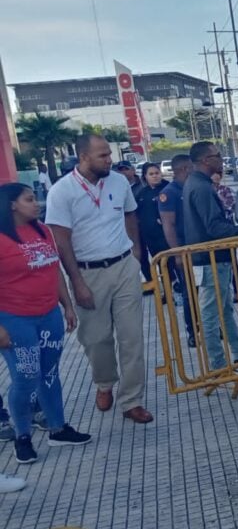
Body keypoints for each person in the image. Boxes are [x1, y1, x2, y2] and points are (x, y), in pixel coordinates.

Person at [45, 133, 153, 425]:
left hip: (123, 266)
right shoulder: (61, 192)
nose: (110, 159)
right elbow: (61, 240)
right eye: (103, 155)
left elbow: (131, 215)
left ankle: (131, 400)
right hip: (87, 272)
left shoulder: (118, 182)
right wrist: (77, 282)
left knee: (132, 338)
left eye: (109, 153)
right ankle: (105, 382)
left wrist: (136, 253)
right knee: (96, 339)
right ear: (83, 158)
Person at [0, 183, 92, 469]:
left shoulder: (43, 231)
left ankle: (57, 428)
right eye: (29, 199)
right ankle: (23, 436)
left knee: (49, 373)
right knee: (26, 376)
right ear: (12, 205)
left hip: (48, 314)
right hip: (14, 318)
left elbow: (54, 271)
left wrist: (66, 305)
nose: (36, 203)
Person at [182, 142, 238, 371]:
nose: (221, 159)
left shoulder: (197, 183)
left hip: (213, 259)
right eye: (217, 155)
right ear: (205, 160)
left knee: (225, 308)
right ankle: (218, 364)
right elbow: (215, 227)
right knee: (210, 315)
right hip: (208, 259)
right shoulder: (200, 188)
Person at [159, 155, 197, 348]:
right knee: (190, 293)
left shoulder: (191, 188)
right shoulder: (169, 193)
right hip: (184, 250)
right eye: (191, 167)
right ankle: (193, 331)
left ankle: (212, 328)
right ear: (184, 169)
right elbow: (169, 225)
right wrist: (177, 253)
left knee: (206, 291)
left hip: (199, 248)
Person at [134, 162, 168, 283]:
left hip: (166, 238)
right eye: (151, 174)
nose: (155, 176)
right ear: (145, 176)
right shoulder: (142, 193)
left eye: (157, 173)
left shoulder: (167, 189)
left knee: (173, 266)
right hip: (150, 239)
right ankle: (168, 294)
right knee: (160, 267)